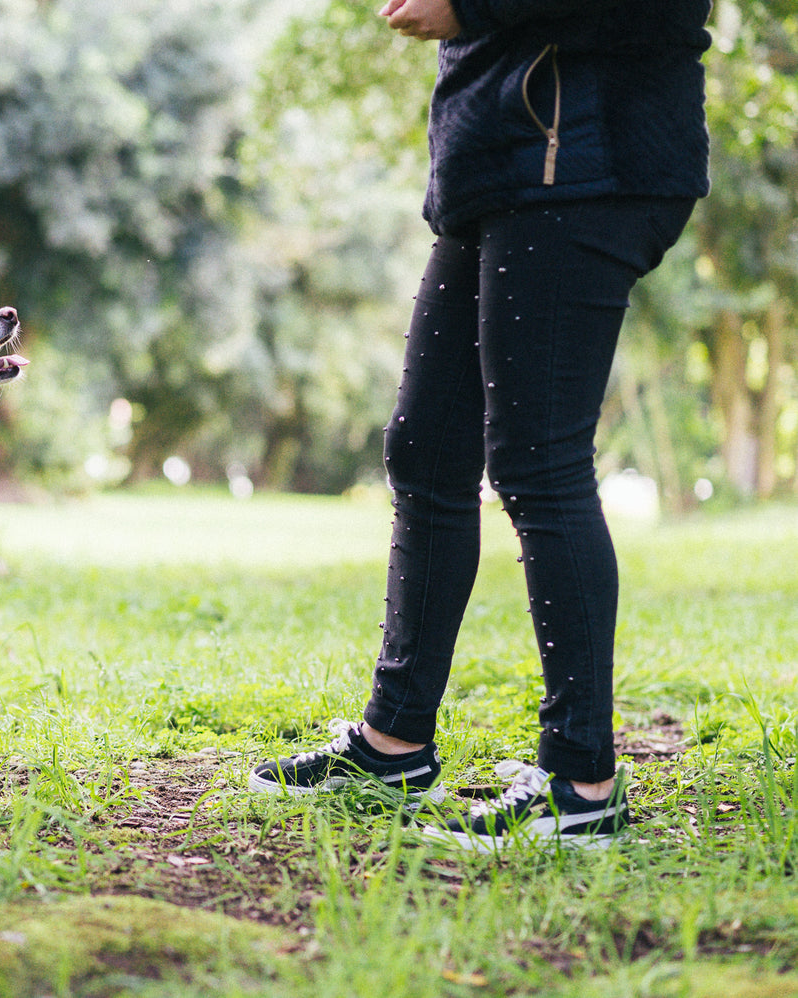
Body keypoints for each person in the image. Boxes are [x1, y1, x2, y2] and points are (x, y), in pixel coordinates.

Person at [249, 0, 712, 850]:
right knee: (426, 450)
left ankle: (582, 785)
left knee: (540, 461)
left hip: (586, 159)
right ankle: (394, 744)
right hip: (505, 166)